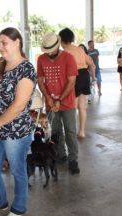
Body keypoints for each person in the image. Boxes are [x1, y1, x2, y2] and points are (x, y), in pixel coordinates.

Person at [0, 27, 37, 216]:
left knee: (17, 170)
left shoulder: (27, 69)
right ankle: (0, 201)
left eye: (4, 42)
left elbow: (19, 106)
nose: (0, 47)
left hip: (17, 132)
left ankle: (19, 206)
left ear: (17, 42)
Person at [37, 32, 80, 174]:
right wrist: (48, 97)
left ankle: (73, 159)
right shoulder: (41, 59)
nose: (49, 54)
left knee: (70, 131)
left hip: (67, 102)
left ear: (57, 46)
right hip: (50, 103)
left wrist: (59, 100)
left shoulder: (68, 58)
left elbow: (71, 81)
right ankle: (61, 155)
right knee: (55, 131)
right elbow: (40, 81)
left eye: (51, 50)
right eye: (46, 51)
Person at [59, 28, 95, 139]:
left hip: (73, 77)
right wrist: (93, 78)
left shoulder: (64, 53)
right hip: (84, 76)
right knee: (82, 107)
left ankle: (71, 133)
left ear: (61, 40)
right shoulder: (80, 50)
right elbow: (91, 64)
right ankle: (82, 132)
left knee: (72, 108)